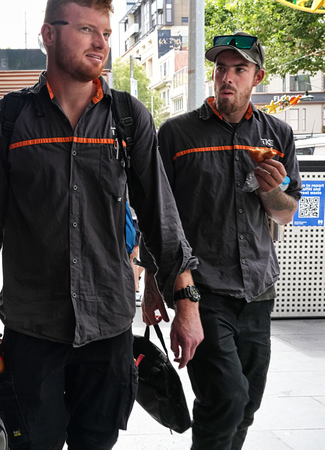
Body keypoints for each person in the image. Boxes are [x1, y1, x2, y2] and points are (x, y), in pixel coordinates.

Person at [0, 0, 203, 448]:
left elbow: (160, 216)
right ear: (49, 35)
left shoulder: (127, 119)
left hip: (107, 328)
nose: (101, 44)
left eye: (107, 34)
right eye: (88, 29)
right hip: (32, 328)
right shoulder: (8, 120)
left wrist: (186, 301)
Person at [142, 32, 302, 449]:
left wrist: (271, 191)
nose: (226, 78)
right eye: (220, 69)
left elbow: (286, 212)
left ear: (258, 77)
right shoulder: (177, 135)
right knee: (225, 397)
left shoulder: (277, 136)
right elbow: (157, 215)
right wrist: (151, 288)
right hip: (202, 290)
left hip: (258, 292)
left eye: (239, 69)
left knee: (245, 404)